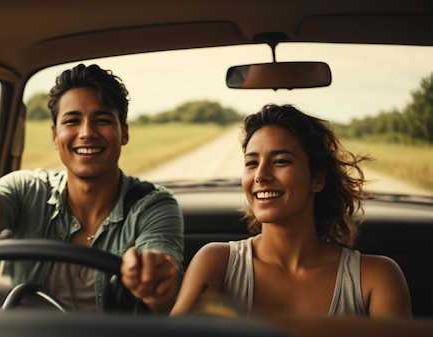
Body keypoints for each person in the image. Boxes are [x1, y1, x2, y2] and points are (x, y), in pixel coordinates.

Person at [0, 63, 184, 314]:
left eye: (102, 120)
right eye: (72, 121)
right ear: (55, 137)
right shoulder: (29, 190)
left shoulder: (153, 206)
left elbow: (161, 271)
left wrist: (153, 277)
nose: (87, 133)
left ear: (124, 134)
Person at [170, 103, 412, 318]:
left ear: (317, 180)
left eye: (280, 161)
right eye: (251, 163)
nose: (261, 176)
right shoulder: (216, 263)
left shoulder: (377, 278)